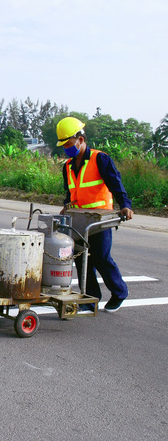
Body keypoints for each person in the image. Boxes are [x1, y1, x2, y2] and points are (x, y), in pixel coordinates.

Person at [56, 116, 134, 313]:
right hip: (78, 220)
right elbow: (70, 192)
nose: (67, 148)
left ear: (81, 139)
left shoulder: (100, 158)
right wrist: (66, 206)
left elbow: (116, 185)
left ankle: (119, 292)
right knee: (82, 259)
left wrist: (125, 205)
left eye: (69, 143)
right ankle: (91, 299)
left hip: (99, 219)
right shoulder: (67, 166)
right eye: (64, 145)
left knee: (101, 257)